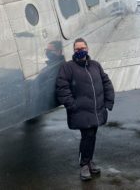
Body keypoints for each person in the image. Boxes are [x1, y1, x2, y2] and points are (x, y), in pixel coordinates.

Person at [56, 38, 115, 181]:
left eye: (82, 48)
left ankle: (89, 161)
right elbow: (62, 88)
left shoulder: (95, 65)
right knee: (87, 137)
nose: (80, 51)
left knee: (92, 136)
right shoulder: (67, 67)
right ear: (73, 51)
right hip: (81, 111)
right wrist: (72, 105)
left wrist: (108, 102)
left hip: (96, 110)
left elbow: (106, 82)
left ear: (87, 49)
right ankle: (84, 165)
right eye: (77, 49)